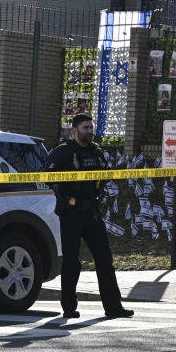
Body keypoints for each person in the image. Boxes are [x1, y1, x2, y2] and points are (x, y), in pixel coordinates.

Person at [43, 113, 134, 320]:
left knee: (104, 261)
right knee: (72, 262)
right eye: (86, 128)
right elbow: (46, 177)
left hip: (92, 213)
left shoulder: (96, 152)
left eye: (91, 127)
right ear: (74, 130)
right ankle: (68, 307)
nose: (90, 132)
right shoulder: (63, 152)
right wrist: (66, 187)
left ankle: (113, 307)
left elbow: (105, 175)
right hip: (71, 214)